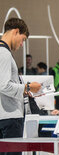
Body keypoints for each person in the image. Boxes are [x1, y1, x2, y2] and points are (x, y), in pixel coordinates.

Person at [0, 18, 41, 155]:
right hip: (9, 118)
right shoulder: (4, 53)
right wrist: (27, 87)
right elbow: (4, 85)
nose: (22, 45)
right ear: (16, 31)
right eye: (22, 39)